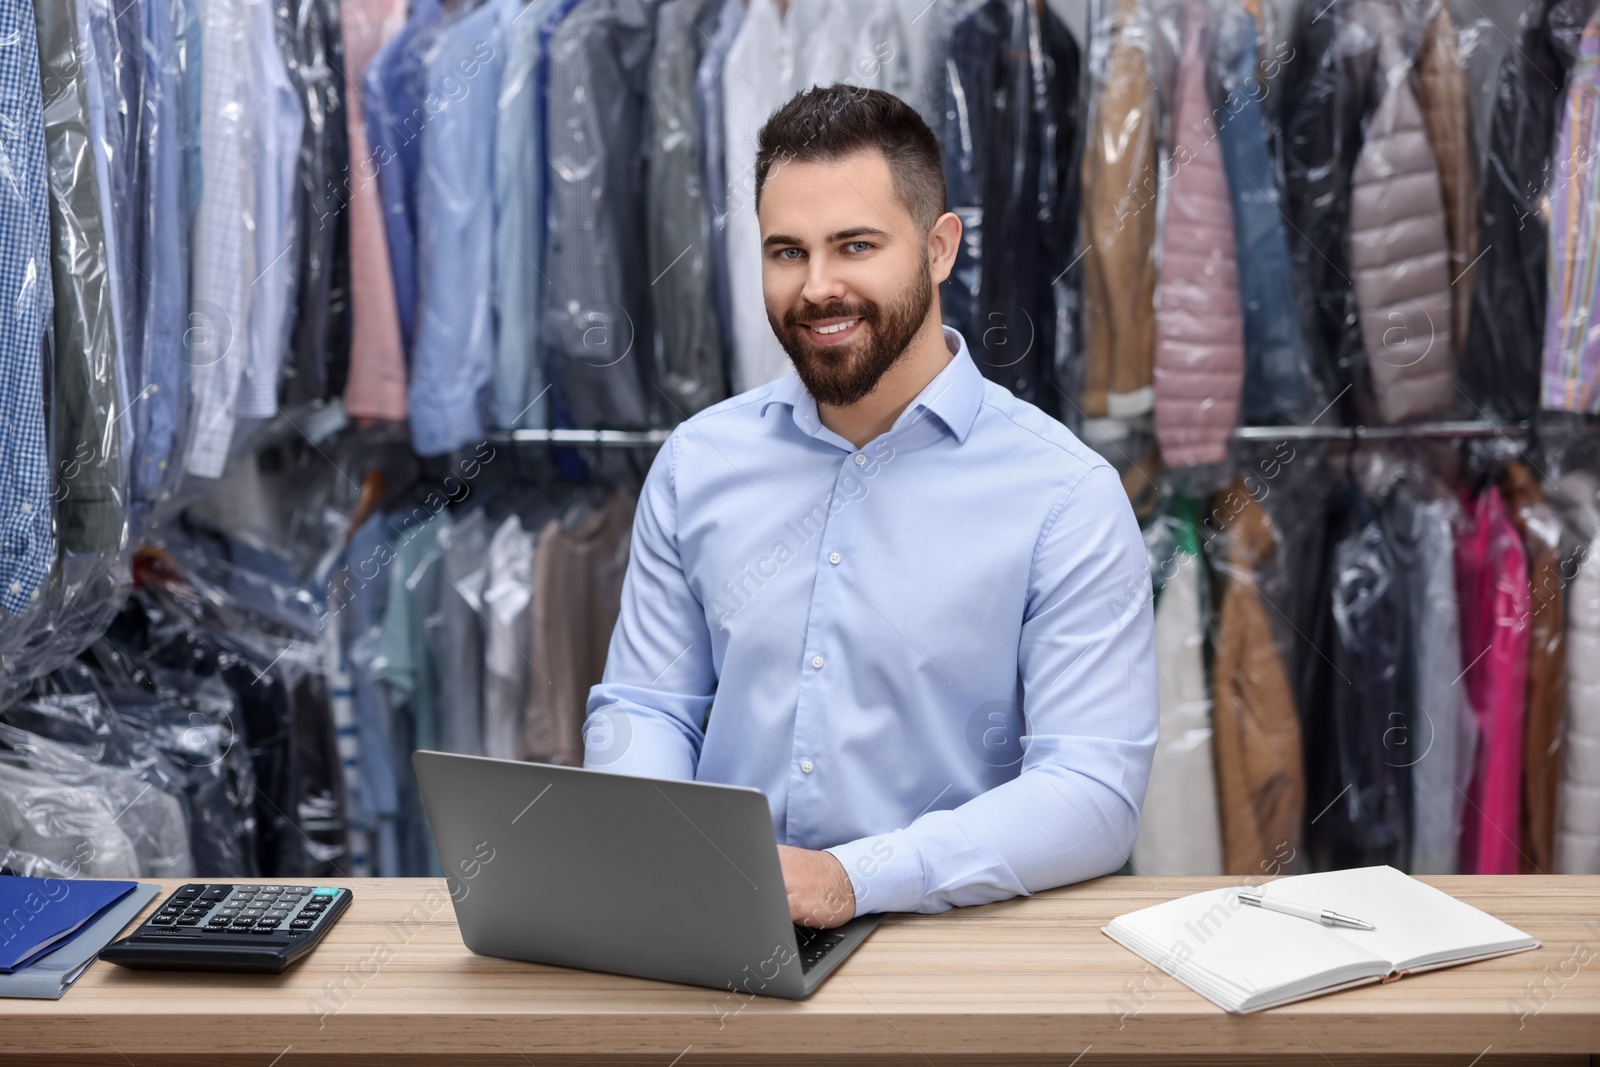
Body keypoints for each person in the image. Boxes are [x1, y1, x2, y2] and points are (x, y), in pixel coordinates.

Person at [584, 84, 1158, 929]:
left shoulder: (1064, 494)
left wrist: (854, 877)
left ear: (939, 247)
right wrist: (661, 850)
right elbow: (647, 706)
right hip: (716, 941)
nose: (818, 288)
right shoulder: (695, 464)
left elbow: (1093, 792)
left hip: (951, 954)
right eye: (788, 252)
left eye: (855, 245)